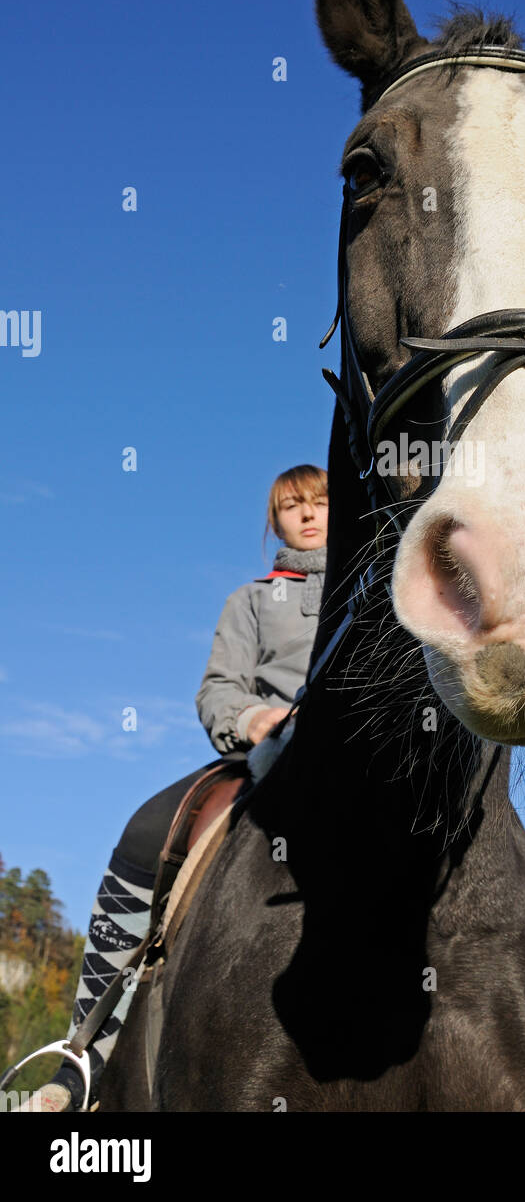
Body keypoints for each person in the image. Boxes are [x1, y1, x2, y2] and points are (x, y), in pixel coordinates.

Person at [22, 465, 328, 1112]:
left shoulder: (388, 587)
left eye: (322, 501)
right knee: (144, 829)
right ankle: (85, 1059)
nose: (306, 514)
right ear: (273, 523)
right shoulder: (251, 599)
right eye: (290, 506)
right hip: (274, 754)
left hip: (374, 756)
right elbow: (218, 689)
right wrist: (255, 719)